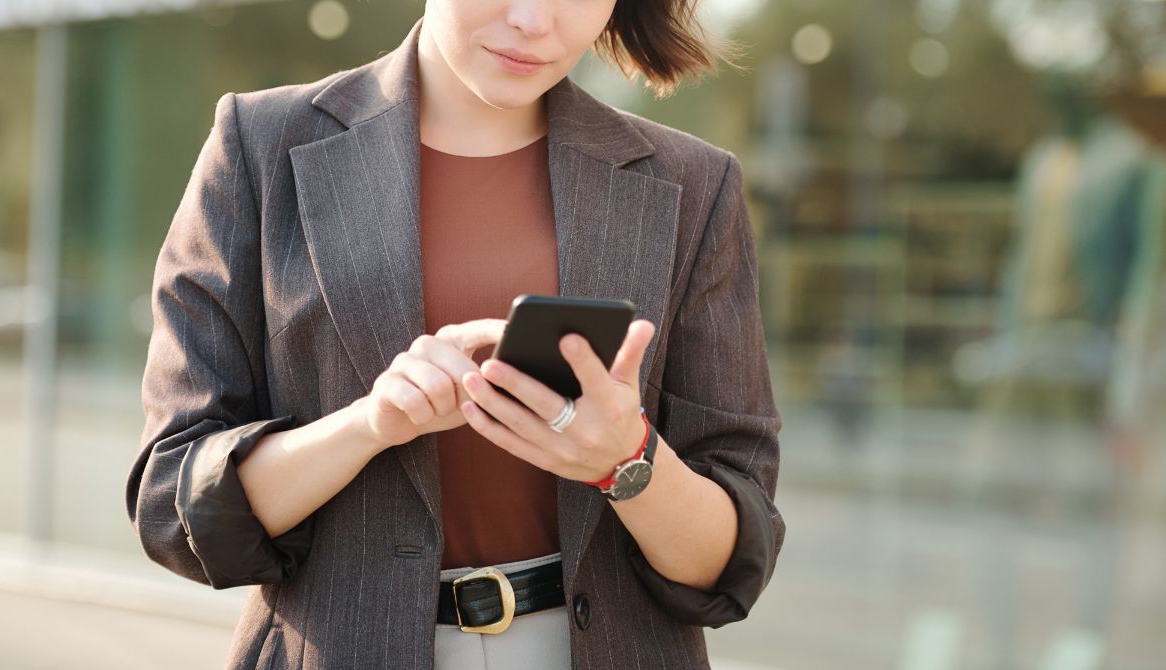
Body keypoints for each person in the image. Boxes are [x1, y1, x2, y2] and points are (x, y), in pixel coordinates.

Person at [125, 2, 785, 668]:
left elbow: (732, 560)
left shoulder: (694, 185)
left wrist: (627, 461)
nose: (533, 20)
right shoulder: (259, 144)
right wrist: (369, 426)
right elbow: (174, 503)